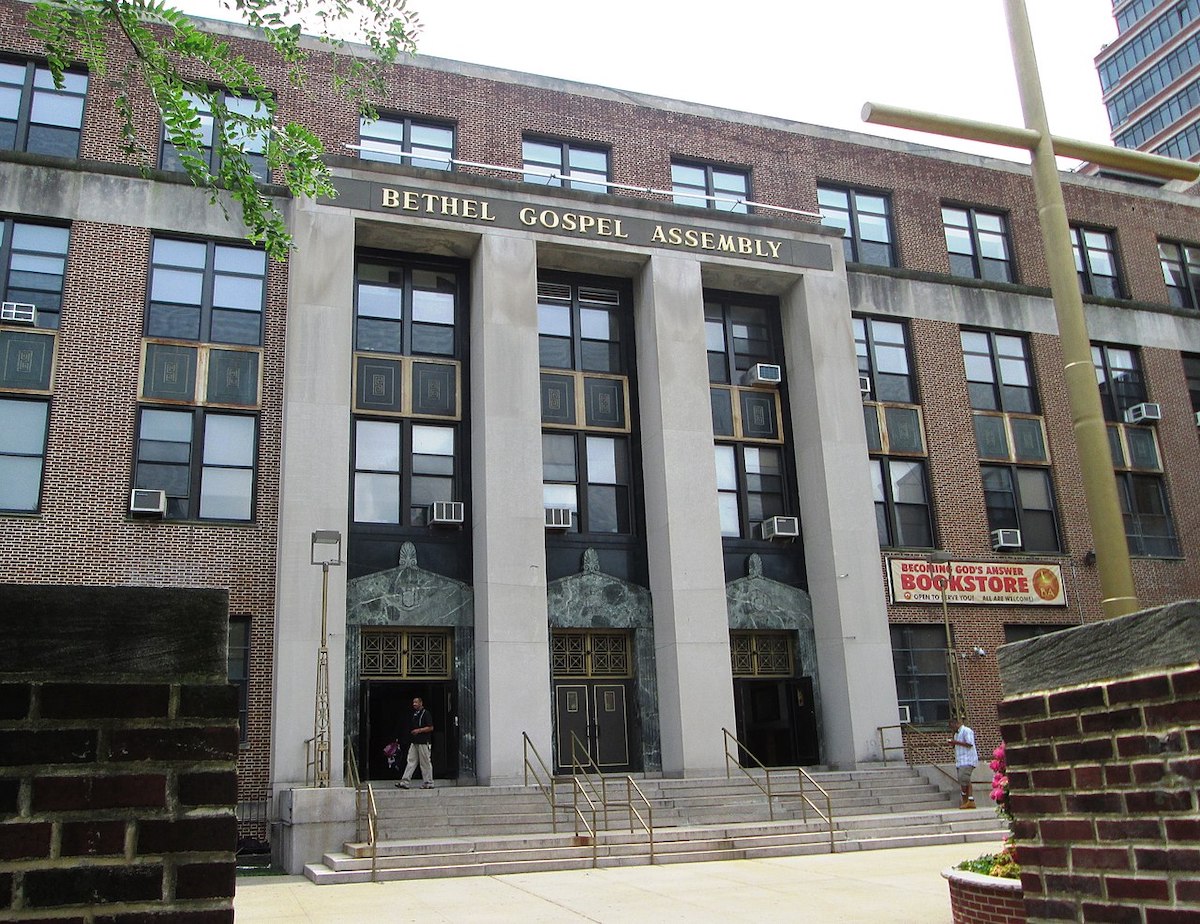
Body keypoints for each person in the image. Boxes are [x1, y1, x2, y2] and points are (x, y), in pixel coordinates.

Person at [395, 696, 435, 789]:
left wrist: (419, 730)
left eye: (416, 702)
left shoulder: (426, 713)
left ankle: (428, 782)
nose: (414, 704)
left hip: (424, 742)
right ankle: (405, 781)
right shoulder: (414, 714)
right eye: (413, 702)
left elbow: (430, 727)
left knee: (425, 762)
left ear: (421, 703)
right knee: (411, 761)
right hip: (414, 742)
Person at [949, 717, 978, 809]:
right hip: (960, 760)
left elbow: (969, 744)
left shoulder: (966, 731)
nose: (952, 729)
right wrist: (953, 743)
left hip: (968, 759)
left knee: (964, 778)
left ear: (956, 723)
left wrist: (956, 742)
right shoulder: (956, 734)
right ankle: (966, 800)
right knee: (963, 780)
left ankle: (970, 800)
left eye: (952, 726)